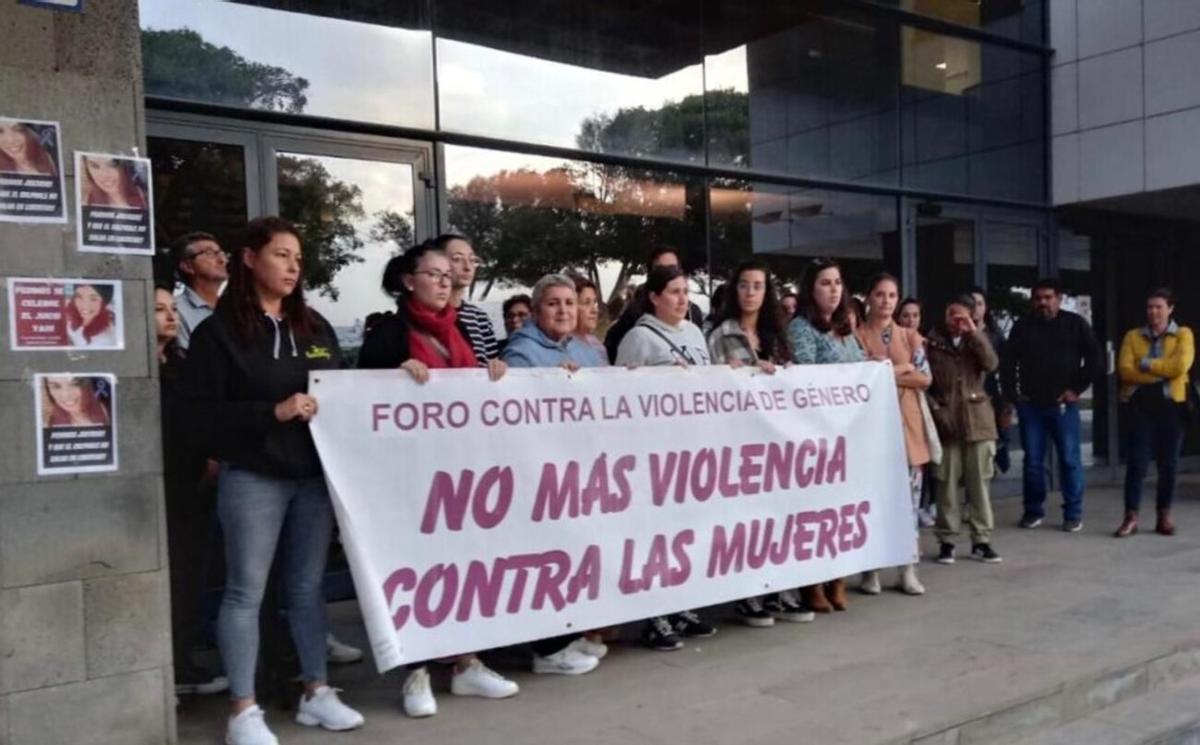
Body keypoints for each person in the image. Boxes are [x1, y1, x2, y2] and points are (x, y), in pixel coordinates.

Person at [181, 217, 364, 744]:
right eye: (281, 254)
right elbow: (201, 417)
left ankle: (316, 691)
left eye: (297, 258)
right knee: (245, 591)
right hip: (254, 478)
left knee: (306, 588)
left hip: (311, 479)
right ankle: (243, 709)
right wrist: (271, 413)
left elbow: (345, 394)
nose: (292, 266)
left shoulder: (314, 326)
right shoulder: (220, 333)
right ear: (249, 259)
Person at [358, 242, 517, 718]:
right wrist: (393, 377)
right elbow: (362, 395)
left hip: (464, 472)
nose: (446, 281)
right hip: (410, 478)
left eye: (450, 274)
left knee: (464, 568)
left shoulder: (463, 328)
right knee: (417, 572)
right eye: (435, 274)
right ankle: (416, 673)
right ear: (409, 281)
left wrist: (495, 374)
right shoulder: (387, 332)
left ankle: (466, 663)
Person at [502, 273, 609, 672]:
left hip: (576, 470)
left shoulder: (579, 348)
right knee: (543, 557)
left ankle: (566, 631)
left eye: (569, 302)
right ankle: (546, 648)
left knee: (570, 553)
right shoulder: (522, 353)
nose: (564, 310)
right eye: (553, 303)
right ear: (535, 311)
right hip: (538, 472)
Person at [616, 264, 718, 650]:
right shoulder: (639, 338)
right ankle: (655, 614)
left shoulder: (693, 332)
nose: (681, 299)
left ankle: (682, 605)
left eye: (685, 291)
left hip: (691, 450)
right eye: (673, 292)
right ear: (654, 297)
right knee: (655, 536)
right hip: (654, 453)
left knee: (684, 532)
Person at [708, 259, 814, 627]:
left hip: (778, 440)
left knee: (781, 516)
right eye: (744, 285)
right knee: (746, 520)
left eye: (757, 286)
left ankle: (782, 588)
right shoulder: (721, 334)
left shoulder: (777, 334)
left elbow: (793, 380)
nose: (750, 293)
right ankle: (748, 594)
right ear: (734, 290)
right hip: (740, 442)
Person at [156, 283, 229, 697]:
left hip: (195, 487)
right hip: (161, 487)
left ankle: (183, 661)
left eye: (171, 308)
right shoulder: (137, 374)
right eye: (158, 309)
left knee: (189, 580)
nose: (170, 316)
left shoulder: (184, 363)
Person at [786, 258, 864, 613]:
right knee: (815, 509)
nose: (833, 289)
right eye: (824, 283)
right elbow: (805, 376)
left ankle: (838, 577)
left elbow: (861, 369)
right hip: (816, 432)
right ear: (810, 290)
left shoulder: (847, 327)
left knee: (841, 508)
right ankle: (812, 582)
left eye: (837, 282)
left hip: (848, 432)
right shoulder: (802, 327)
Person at [1000, 278, 1099, 533]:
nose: (1042, 303)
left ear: (1059, 298)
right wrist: (1013, 394)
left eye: (1048, 297)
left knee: (1069, 459)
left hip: (1063, 405)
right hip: (1031, 405)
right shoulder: (1023, 327)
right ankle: (1033, 511)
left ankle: (1073, 513)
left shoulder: (1075, 324)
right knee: (1033, 461)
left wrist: (1075, 390)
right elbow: (1008, 362)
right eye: (1038, 298)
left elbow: (1094, 359)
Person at [855, 273, 930, 597]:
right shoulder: (857, 335)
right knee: (872, 501)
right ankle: (870, 570)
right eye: (880, 294)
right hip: (872, 427)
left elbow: (925, 378)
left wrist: (887, 369)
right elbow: (859, 376)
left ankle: (907, 569)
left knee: (909, 504)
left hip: (908, 427)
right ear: (869, 298)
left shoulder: (911, 336)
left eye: (891, 295)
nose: (886, 301)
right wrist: (901, 370)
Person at [925, 294, 1003, 565]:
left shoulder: (977, 340)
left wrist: (974, 333)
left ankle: (981, 540)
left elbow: (992, 364)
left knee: (979, 484)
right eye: (951, 316)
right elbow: (926, 382)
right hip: (946, 422)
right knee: (945, 484)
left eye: (961, 316)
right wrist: (936, 410)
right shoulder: (932, 342)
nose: (955, 322)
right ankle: (947, 541)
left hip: (977, 421)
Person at [1115, 289, 1195, 537]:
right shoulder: (1133, 336)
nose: (1153, 312)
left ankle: (1164, 516)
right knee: (1137, 463)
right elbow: (1125, 370)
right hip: (1140, 406)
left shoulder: (1183, 334)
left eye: (1159, 307)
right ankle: (1131, 516)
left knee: (1168, 465)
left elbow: (1180, 366)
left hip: (1172, 406)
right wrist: (1162, 372)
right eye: (1150, 307)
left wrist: (1147, 364)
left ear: (1170, 309)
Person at [604, 246, 704, 363]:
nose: (668, 275)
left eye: (672, 269)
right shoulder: (634, 315)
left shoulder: (694, 317)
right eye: (661, 270)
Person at [434, 233, 499, 365]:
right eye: (457, 259)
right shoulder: (427, 315)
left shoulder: (479, 317)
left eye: (472, 260)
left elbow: (493, 365)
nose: (468, 267)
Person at [970, 286, 1013, 474]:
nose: (975, 308)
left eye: (979, 304)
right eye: (971, 303)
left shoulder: (995, 335)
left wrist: (1007, 403)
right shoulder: (958, 333)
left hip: (990, 392)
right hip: (967, 394)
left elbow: (1003, 368)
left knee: (991, 443)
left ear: (985, 307)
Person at [173, 231, 228, 351]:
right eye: (209, 253)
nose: (222, 260)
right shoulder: (176, 310)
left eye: (221, 253)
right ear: (187, 266)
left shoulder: (232, 306)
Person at [64, 282, 119, 348]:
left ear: (103, 303)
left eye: (93, 299)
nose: (84, 305)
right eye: (79, 297)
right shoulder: (70, 312)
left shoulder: (104, 342)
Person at [80, 155, 148, 209]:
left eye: (112, 164)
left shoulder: (144, 196)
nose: (104, 175)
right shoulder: (91, 201)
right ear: (87, 169)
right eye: (94, 166)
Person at [43, 375, 110, 426]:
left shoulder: (111, 410)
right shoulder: (50, 423)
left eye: (74, 384)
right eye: (55, 387)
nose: (66, 395)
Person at [572, 275, 608, 361]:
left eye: (595, 302)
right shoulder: (560, 348)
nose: (594, 310)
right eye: (586, 303)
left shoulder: (597, 346)